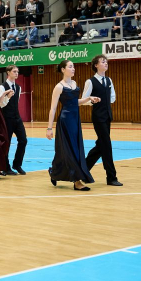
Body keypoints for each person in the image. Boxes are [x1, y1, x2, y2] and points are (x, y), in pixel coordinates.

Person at [46, 60, 100, 191]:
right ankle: (77, 181)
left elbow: (76, 102)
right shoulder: (59, 87)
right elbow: (53, 108)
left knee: (67, 151)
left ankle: (54, 172)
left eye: (73, 66)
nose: (73, 68)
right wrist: (49, 128)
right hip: (65, 122)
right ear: (63, 69)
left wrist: (89, 98)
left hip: (75, 120)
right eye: (70, 66)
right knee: (71, 151)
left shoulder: (74, 83)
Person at [82, 55, 123, 187]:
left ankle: (82, 170)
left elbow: (113, 98)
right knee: (106, 145)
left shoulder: (109, 80)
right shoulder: (90, 82)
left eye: (106, 62)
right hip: (98, 118)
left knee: (101, 146)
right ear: (96, 65)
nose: (106, 63)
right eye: (103, 62)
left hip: (107, 117)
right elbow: (84, 100)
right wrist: (92, 100)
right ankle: (111, 177)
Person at [0, 65, 28, 175]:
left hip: (17, 117)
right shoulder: (2, 87)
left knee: (23, 140)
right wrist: (7, 97)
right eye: (14, 71)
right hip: (6, 118)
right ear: (8, 72)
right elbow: (0, 104)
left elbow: (16, 102)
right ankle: (5, 167)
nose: (16, 73)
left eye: (17, 71)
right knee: (6, 143)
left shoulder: (18, 87)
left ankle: (17, 164)